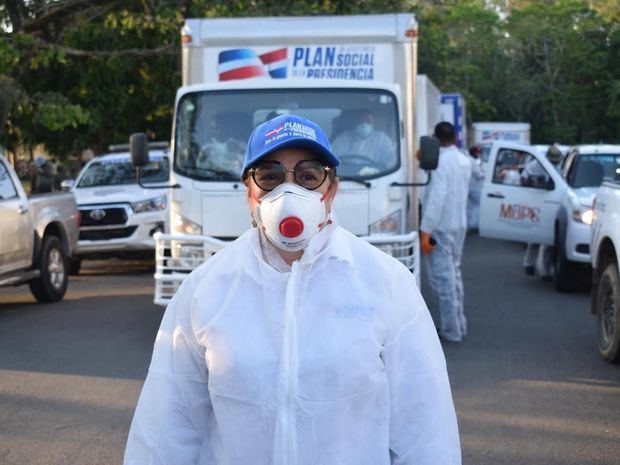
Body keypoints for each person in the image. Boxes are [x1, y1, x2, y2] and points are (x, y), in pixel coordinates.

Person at [124, 114, 461, 465]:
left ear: (331, 189)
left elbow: (425, 430)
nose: (289, 191)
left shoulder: (386, 284)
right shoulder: (204, 291)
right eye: (269, 176)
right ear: (249, 194)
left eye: (308, 176)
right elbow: (167, 428)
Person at [420, 122, 471, 343]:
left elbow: (437, 197)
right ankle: (459, 324)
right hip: (458, 224)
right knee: (455, 276)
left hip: (440, 227)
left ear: (435, 139)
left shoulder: (440, 163)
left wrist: (425, 230)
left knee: (443, 280)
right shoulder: (463, 160)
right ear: (455, 138)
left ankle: (451, 330)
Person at [521, 145, 563, 279]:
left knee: (548, 240)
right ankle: (528, 264)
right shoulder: (534, 165)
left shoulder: (559, 167)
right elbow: (523, 180)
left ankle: (545, 271)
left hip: (551, 202)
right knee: (534, 236)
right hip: (535, 201)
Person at [467, 145, 485, 231]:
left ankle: (470, 224)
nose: (479, 154)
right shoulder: (473, 162)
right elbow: (478, 175)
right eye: (478, 153)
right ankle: (474, 224)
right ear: (474, 153)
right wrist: (486, 174)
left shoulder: (469, 160)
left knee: (470, 206)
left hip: (469, 187)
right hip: (475, 187)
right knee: (478, 206)